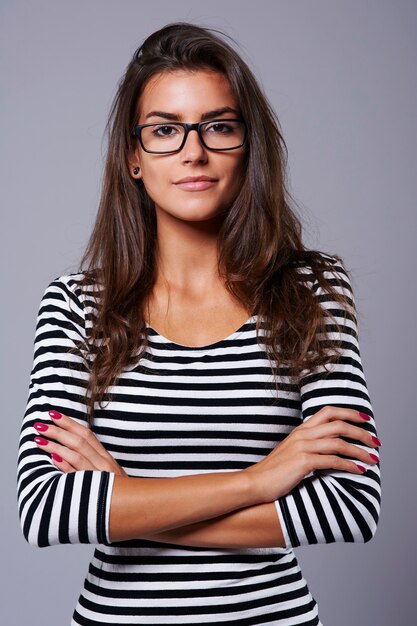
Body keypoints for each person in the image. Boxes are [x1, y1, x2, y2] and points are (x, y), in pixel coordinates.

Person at [17, 22, 381, 626]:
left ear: (247, 144)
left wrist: (128, 499)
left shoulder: (312, 292)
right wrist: (258, 481)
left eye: (219, 126)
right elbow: (47, 511)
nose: (193, 151)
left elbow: (351, 507)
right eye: (164, 129)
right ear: (133, 157)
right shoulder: (77, 305)